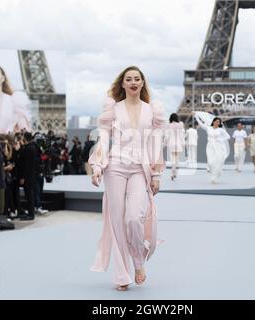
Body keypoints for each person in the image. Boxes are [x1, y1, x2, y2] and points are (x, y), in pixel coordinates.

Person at [88, 66, 166, 291]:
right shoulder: (113, 109)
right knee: (117, 223)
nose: (133, 82)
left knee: (133, 217)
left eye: (137, 79)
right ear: (122, 84)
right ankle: (122, 275)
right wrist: (97, 166)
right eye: (128, 79)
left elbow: (155, 143)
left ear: (142, 83)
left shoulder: (152, 111)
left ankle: (138, 261)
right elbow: (103, 139)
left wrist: (157, 174)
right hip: (115, 167)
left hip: (140, 169)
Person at [194, 113, 230, 183]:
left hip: (218, 146)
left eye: (218, 122)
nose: (217, 123)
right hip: (210, 146)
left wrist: (221, 139)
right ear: (213, 122)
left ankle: (215, 176)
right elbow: (201, 124)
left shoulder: (220, 130)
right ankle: (214, 174)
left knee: (218, 162)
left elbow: (228, 136)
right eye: (216, 121)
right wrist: (196, 116)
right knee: (210, 162)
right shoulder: (208, 128)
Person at [18, 132, 37, 221]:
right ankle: (30, 213)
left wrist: (22, 177)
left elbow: (25, 165)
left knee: (29, 195)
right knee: (29, 195)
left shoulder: (28, 149)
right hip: (30, 175)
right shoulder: (32, 147)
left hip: (27, 176)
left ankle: (31, 214)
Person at [165, 113, 185, 180]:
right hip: (178, 143)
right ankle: (175, 172)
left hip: (171, 143)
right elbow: (182, 135)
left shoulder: (169, 125)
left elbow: (167, 136)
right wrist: (183, 144)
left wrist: (165, 143)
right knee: (176, 159)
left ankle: (172, 172)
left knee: (172, 158)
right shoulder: (180, 125)